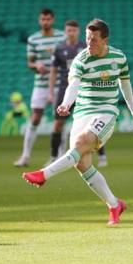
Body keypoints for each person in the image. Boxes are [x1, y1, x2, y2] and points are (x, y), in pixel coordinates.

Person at [22, 19, 133, 226]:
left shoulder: (118, 57)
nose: (89, 43)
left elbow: (125, 84)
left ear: (105, 39)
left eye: (94, 39)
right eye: (88, 38)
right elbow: (73, 85)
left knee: (81, 143)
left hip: (106, 111)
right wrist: (66, 103)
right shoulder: (81, 59)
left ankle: (43, 174)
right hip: (82, 112)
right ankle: (115, 205)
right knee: (82, 163)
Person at [46, 20, 108, 168]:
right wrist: (50, 91)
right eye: (68, 30)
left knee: (92, 125)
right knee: (57, 124)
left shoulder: (86, 47)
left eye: (74, 30)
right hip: (64, 89)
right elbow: (53, 71)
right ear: (65, 32)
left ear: (78, 32)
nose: (71, 33)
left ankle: (102, 156)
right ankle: (53, 156)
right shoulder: (59, 48)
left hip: (85, 90)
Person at [14, 8, 65, 167]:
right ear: (39, 20)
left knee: (60, 119)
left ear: (53, 20)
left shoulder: (61, 37)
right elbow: (29, 62)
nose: (45, 22)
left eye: (48, 19)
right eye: (43, 19)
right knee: (35, 117)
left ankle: (62, 156)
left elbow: (68, 59)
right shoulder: (33, 39)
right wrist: (36, 65)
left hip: (58, 84)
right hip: (41, 84)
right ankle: (25, 156)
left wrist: (56, 68)